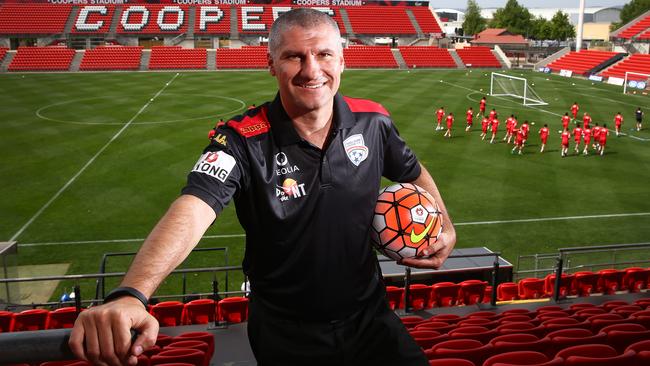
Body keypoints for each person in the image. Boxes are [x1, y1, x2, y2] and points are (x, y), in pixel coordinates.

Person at [69, 9, 455, 366]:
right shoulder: (239, 139)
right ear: (270, 63)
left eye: (323, 54)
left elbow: (413, 170)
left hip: (371, 316)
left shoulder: (374, 122)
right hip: (287, 332)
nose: (311, 69)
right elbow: (194, 206)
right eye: (294, 56)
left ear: (342, 60)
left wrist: (445, 225)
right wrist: (131, 292)